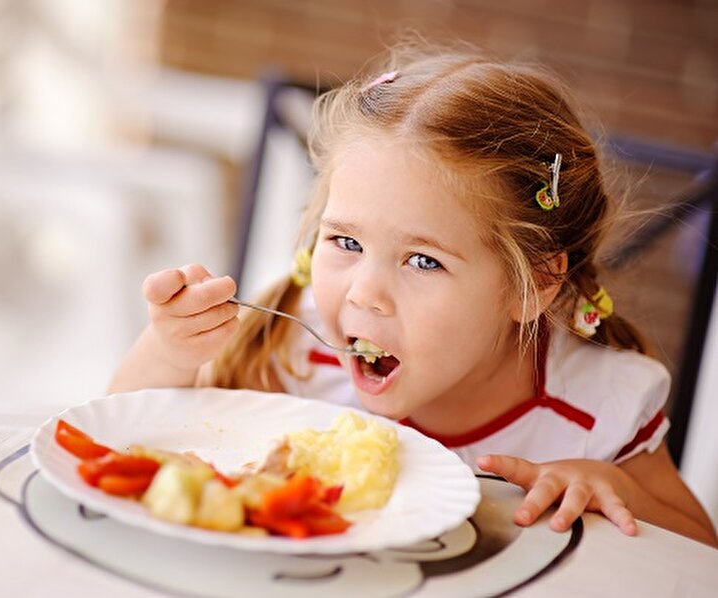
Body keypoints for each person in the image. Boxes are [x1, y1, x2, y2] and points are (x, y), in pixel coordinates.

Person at [110, 47, 717, 547]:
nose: (365, 294)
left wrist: (612, 485)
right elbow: (123, 444)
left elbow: (701, 553)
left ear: (533, 284)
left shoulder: (591, 409)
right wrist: (168, 353)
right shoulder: (295, 347)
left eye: (423, 260)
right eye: (345, 241)